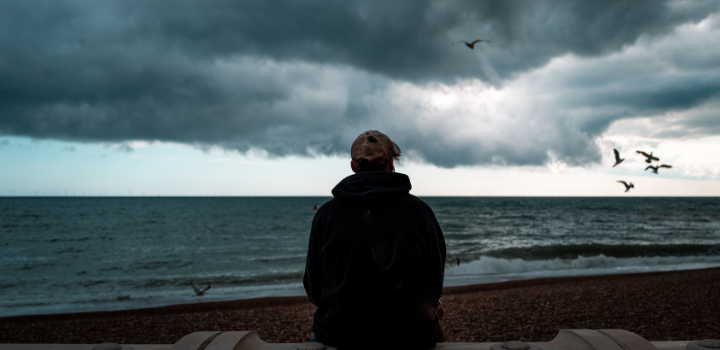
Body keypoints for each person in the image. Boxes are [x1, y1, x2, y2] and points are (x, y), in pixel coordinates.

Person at [303, 130, 447, 349]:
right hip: (410, 336)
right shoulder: (420, 212)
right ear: (390, 163)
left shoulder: (325, 215)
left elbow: (314, 288)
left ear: (353, 166)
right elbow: (434, 282)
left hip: (340, 335)